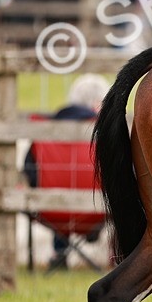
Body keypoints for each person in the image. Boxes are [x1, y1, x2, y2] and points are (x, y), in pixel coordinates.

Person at [24, 74, 110, 270]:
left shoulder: (45, 131)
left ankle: (60, 253)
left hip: (50, 211)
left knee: (56, 188)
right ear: (97, 104)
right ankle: (117, 258)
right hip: (98, 211)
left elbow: (30, 173)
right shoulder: (105, 133)